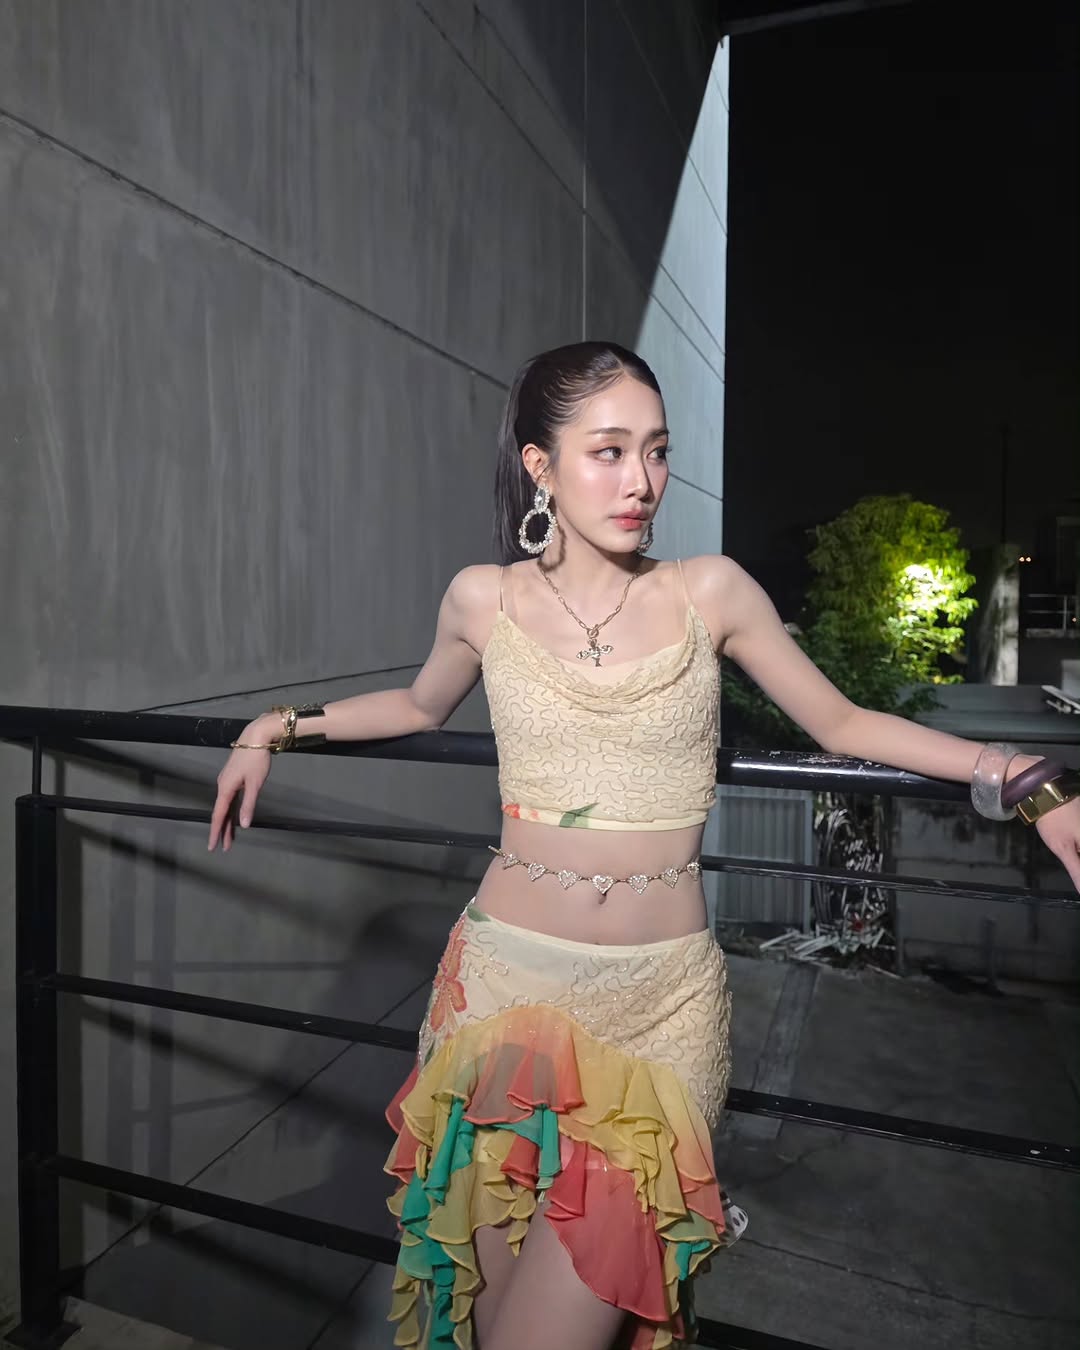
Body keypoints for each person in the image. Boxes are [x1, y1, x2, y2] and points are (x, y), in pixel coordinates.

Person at [208, 342, 1080, 1350]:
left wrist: (1024, 777)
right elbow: (415, 704)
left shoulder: (709, 592)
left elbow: (841, 723)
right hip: (499, 998)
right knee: (486, 1326)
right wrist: (276, 725)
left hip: (661, 1011)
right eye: (610, 451)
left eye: (657, 452)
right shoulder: (483, 599)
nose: (642, 481)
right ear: (540, 465)